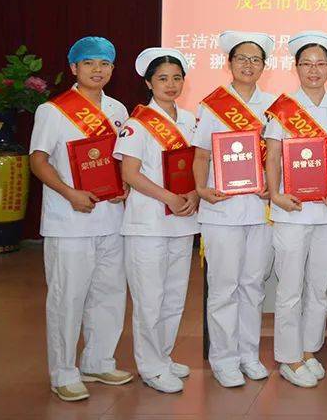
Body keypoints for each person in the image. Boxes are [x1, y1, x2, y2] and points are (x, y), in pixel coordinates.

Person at [29, 36, 133, 401]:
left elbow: (121, 162)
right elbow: (38, 160)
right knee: (67, 297)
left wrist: (126, 188)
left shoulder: (119, 110)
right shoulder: (53, 111)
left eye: (104, 64)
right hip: (68, 221)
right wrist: (69, 193)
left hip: (112, 219)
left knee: (110, 293)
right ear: (74, 68)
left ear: (112, 69)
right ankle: (63, 371)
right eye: (89, 63)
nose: (97, 70)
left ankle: (98, 359)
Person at [263, 31, 327, 388]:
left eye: (320, 64)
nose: (314, 70)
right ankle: (288, 357)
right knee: (290, 287)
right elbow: (271, 156)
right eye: (307, 64)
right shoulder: (284, 108)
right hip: (291, 210)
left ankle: (308, 350)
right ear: (296, 67)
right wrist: (275, 195)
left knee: (319, 287)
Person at [192, 31, 276, 388]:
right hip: (222, 211)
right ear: (229, 63)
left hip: (260, 210)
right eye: (241, 58)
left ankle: (248, 353)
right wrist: (201, 189)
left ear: (264, 67)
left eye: (255, 59)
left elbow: (277, 158)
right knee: (224, 286)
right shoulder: (212, 105)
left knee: (253, 285)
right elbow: (201, 156)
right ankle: (223, 358)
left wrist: (273, 185)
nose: (248, 65)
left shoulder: (274, 106)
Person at [114, 47, 199, 394]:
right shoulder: (137, 125)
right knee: (149, 297)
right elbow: (130, 174)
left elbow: (196, 165)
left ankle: (163, 356)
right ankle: (149, 366)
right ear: (148, 82)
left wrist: (193, 194)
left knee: (174, 295)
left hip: (181, 220)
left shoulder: (190, 120)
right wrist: (169, 198)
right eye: (162, 78)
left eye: (176, 78)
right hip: (147, 223)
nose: (171, 84)